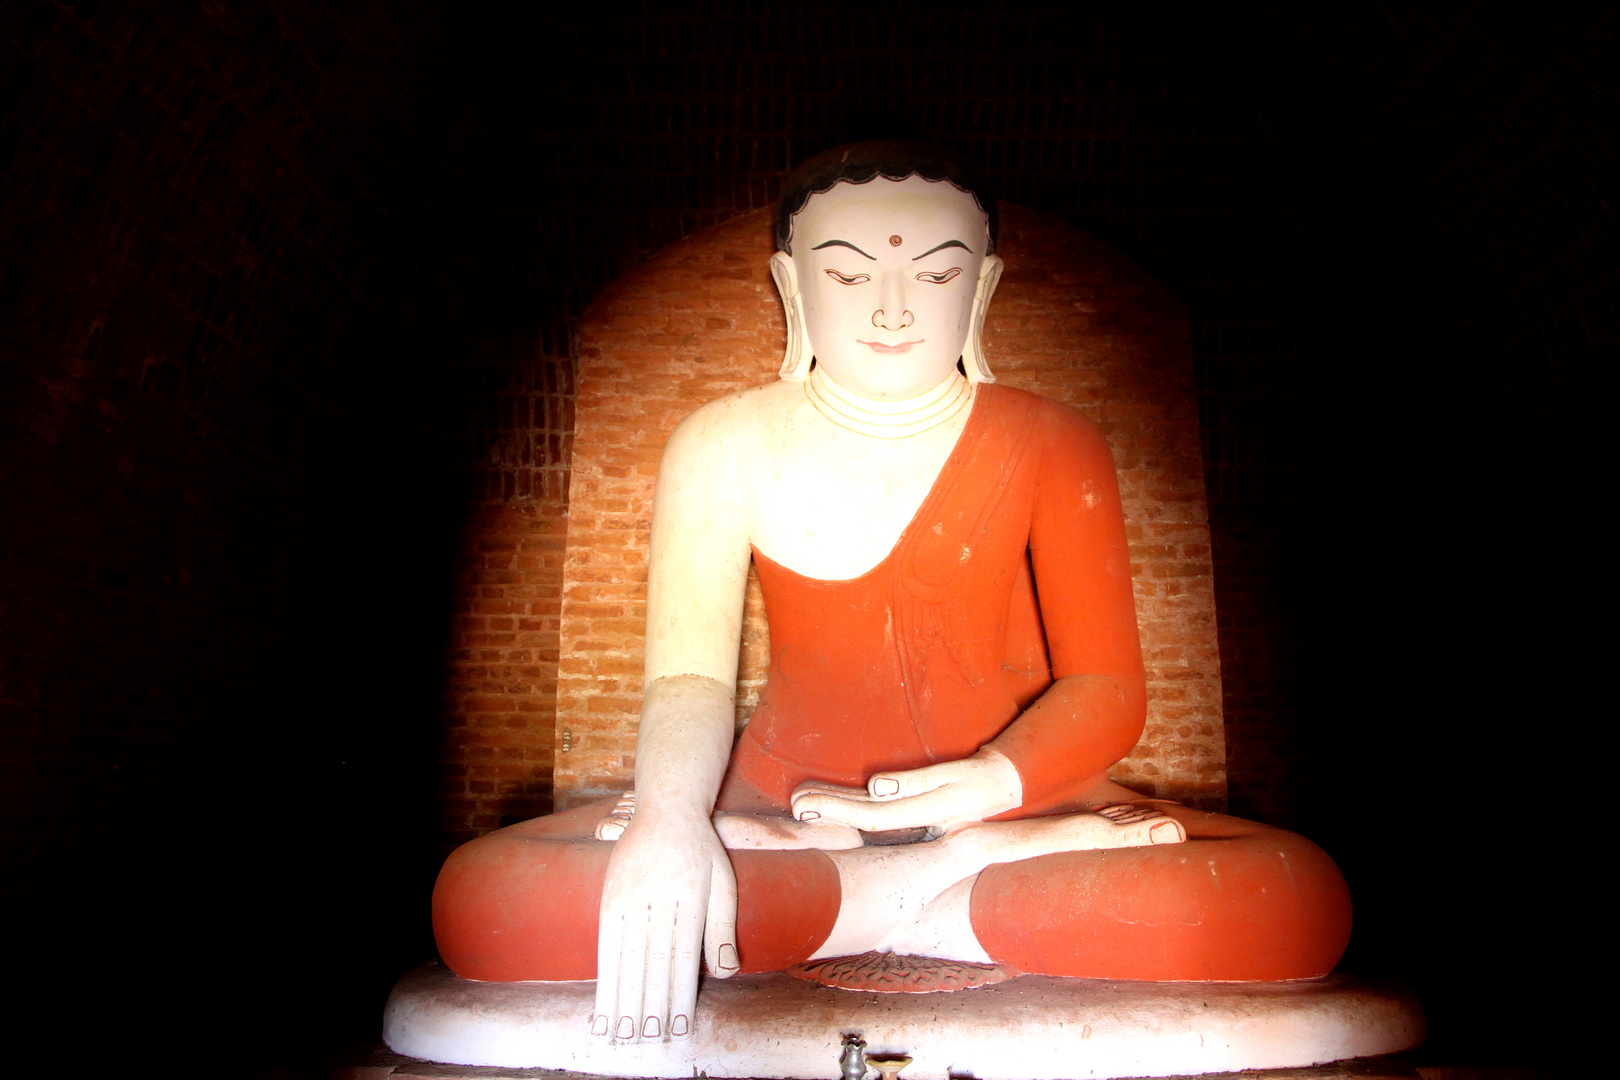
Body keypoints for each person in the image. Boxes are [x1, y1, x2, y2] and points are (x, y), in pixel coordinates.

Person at [430, 143, 1352, 1047]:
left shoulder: (1051, 440)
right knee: (483, 902)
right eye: (847, 273)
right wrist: (675, 821)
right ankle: (933, 898)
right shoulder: (720, 443)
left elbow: (1109, 690)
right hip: (784, 806)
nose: (893, 306)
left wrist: (981, 796)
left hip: (1020, 812)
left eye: (938, 275)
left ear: (982, 290)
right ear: (792, 288)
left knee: (1301, 898)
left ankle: (875, 894)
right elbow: (689, 681)